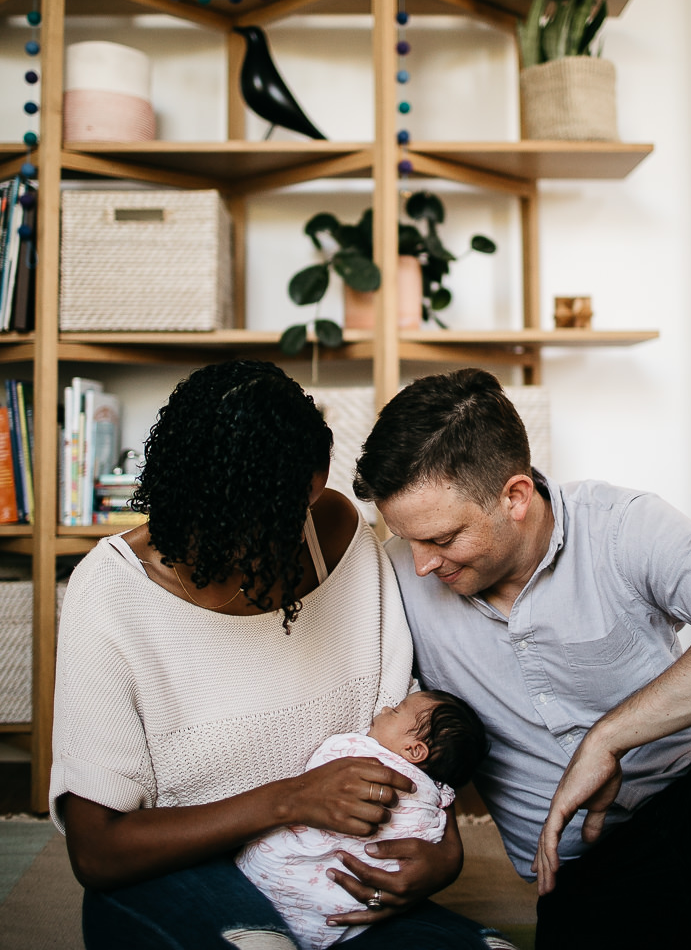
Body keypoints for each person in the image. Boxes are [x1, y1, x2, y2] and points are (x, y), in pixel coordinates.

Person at [50, 360, 515, 950]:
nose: (217, 554)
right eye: (200, 527)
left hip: (329, 881)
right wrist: (291, 799)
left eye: (315, 487)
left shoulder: (343, 542)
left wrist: (443, 854)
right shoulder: (112, 590)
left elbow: (405, 728)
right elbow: (96, 851)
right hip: (178, 876)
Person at [352, 367, 691, 950]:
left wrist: (608, 737)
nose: (421, 565)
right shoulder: (394, 579)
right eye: (408, 540)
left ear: (515, 496)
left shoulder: (619, 527)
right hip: (585, 880)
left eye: (442, 539)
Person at [237, 690, 489, 949]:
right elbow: (432, 835)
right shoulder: (436, 799)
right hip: (342, 912)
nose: (383, 709)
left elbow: (321, 764)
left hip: (273, 881)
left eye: (395, 711)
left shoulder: (360, 751)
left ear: (414, 749)